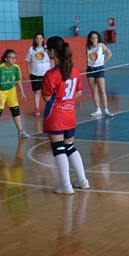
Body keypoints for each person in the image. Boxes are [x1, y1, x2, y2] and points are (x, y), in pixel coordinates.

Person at [42, 36, 90, 195]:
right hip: (70, 114)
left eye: (47, 50)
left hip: (56, 115)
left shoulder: (50, 74)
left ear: (52, 51)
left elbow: (47, 98)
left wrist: (59, 98)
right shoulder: (74, 70)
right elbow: (79, 92)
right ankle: (83, 181)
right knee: (70, 146)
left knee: (58, 148)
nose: (47, 53)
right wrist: (67, 99)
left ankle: (66, 186)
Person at [0, 49, 29, 143]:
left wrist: (22, 92)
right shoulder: (0, 68)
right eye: (11, 58)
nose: (13, 59)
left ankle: (20, 131)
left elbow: (18, 80)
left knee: (15, 110)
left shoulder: (16, 68)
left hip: (11, 89)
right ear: (6, 59)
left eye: (15, 58)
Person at [85, 31, 114, 118]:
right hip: (90, 69)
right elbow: (88, 58)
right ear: (90, 39)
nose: (94, 39)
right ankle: (98, 110)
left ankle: (106, 110)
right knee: (94, 91)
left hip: (99, 69)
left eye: (96, 37)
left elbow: (110, 53)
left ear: (98, 38)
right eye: (92, 38)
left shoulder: (101, 45)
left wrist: (104, 61)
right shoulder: (88, 47)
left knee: (102, 90)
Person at [26, 33, 52, 117]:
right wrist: (29, 73)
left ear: (43, 39)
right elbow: (27, 61)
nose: (39, 40)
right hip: (35, 74)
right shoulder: (31, 49)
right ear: (35, 39)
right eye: (37, 38)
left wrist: (52, 71)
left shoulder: (46, 48)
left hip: (46, 74)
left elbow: (51, 60)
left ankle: (50, 107)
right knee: (37, 92)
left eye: (40, 38)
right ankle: (37, 108)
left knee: (48, 91)